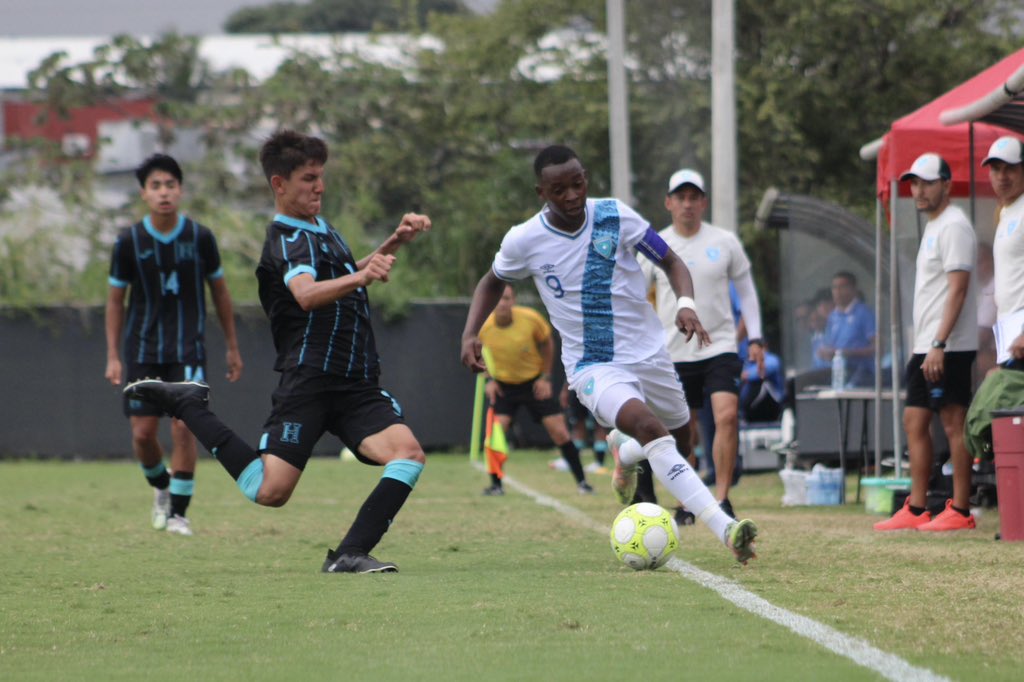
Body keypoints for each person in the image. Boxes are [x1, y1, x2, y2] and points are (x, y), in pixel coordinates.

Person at [125, 130, 431, 573]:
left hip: (354, 382)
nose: (319, 187)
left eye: (321, 177)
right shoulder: (287, 238)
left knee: (408, 454)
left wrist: (394, 242)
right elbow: (306, 294)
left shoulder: (320, 228)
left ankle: (349, 554)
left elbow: (347, 272)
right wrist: (362, 278)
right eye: (309, 178)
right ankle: (189, 405)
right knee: (269, 492)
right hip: (308, 380)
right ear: (279, 184)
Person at [460, 145, 758, 564]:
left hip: (650, 353)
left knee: (682, 439)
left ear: (586, 178)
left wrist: (686, 304)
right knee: (651, 427)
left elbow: (671, 260)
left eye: (577, 183)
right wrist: (471, 333)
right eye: (558, 189)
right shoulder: (524, 238)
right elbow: (492, 281)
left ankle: (627, 453)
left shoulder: (616, 215)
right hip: (592, 365)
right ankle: (725, 528)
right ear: (540, 192)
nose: (570, 195)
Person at [105, 153, 244, 537]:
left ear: (180, 190)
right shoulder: (128, 241)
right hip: (143, 352)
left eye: (170, 185)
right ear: (144, 194)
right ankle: (161, 488)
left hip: (188, 352)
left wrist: (232, 346)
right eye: (156, 186)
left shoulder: (200, 238)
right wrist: (113, 355)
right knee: (143, 436)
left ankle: (179, 515)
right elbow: (116, 301)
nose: (164, 192)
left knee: (185, 430)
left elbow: (220, 292)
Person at [639, 168, 766, 520]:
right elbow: (635, 294)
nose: (688, 204)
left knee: (726, 417)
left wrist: (755, 338)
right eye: (680, 197)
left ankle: (722, 498)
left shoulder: (724, 242)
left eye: (694, 197)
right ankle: (687, 502)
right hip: (672, 351)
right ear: (668, 203)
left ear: (704, 202)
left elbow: (747, 293)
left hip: (720, 347)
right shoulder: (655, 244)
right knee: (684, 429)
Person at [874, 153, 978, 532]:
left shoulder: (954, 226)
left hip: (947, 346)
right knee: (914, 421)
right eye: (913, 183)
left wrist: (938, 343)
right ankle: (917, 508)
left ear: (947, 185)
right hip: (927, 345)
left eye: (926, 182)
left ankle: (962, 510)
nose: (917, 190)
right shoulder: (936, 225)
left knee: (954, 423)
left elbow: (958, 291)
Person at [478, 284, 593, 496]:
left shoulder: (530, 319)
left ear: (513, 300)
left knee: (559, 431)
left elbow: (548, 343)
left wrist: (545, 377)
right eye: (498, 299)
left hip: (533, 383)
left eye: (506, 298)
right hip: (504, 386)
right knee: (495, 433)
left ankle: (582, 483)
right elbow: (477, 352)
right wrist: (490, 380)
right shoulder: (483, 326)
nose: (502, 303)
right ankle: (496, 485)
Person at [984, 135, 1024, 370]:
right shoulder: (1006, 211)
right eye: (996, 169)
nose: (1002, 176)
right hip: (1010, 338)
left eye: (1010, 169)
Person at [817, 271, 876, 387]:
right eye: (834, 288)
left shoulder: (864, 313)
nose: (837, 292)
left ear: (853, 289)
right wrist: (825, 352)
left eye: (842, 287)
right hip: (838, 372)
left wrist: (847, 353)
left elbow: (877, 348)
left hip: (862, 372)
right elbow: (830, 345)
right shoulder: (833, 316)